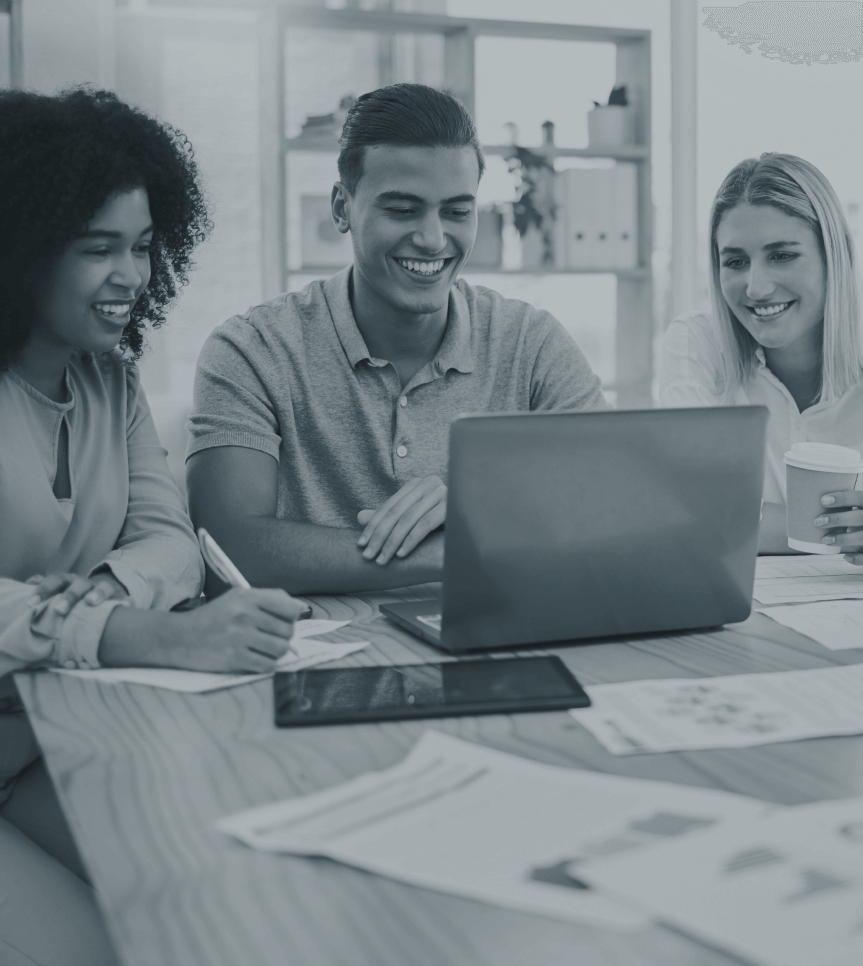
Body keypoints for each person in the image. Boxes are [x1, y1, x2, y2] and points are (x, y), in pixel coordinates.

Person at [0, 87, 302, 966]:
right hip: (38, 735)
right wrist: (139, 635)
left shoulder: (110, 383)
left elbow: (170, 538)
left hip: (49, 736)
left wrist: (91, 597)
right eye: (99, 249)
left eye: (141, 246)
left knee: (219, 892)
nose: (131, 277)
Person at [187, 83, 609, 596]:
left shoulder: (531, 343)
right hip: (321, 660)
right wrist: (463, 546)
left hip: (493, 649)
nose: (433, 239)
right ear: (342, 207)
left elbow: (608, 508)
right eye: (403, 210)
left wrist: (477, 505)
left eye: (457, 211)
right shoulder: (251, 351)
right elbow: (228, 551)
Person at [659, 153, 863, 558]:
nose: (755, 287)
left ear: (833, 255)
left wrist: (747, 522)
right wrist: (834, 533)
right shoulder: (697, 343)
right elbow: (692, 515)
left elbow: (717, 520)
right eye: (735, 262)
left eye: (782, 255)